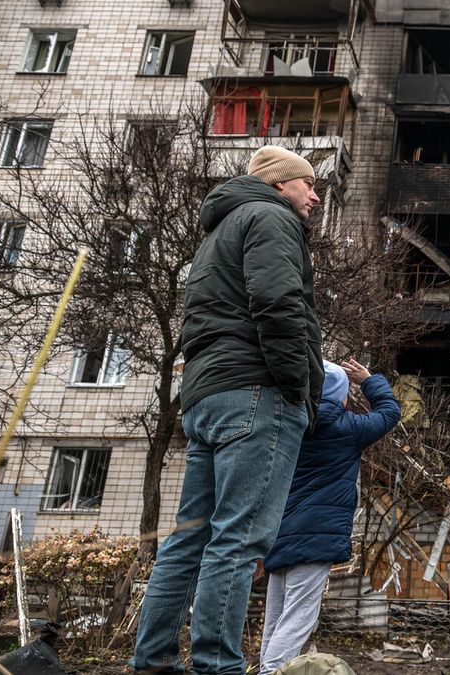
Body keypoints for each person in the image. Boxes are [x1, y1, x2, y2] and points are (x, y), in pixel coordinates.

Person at [132, 146, 325, 674]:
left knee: (189, 539)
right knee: (237, 541)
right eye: (307, 184)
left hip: (209, 398)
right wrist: (296, 386)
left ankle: (152, 661)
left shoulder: (217, 233)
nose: (313, 195)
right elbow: (280, 305)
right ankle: (217, 668)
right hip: (258, 395)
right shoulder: (270, 218)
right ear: (281, 184)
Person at [258, 358, 402, 674]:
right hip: (317, 536)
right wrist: (368, 380)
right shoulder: (347, 428)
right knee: (299, 615)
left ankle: (267, 668)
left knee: (278, 612)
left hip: (279, 533)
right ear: (342, 396)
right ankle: (272, 671)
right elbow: (390, 413)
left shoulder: (287, 425)